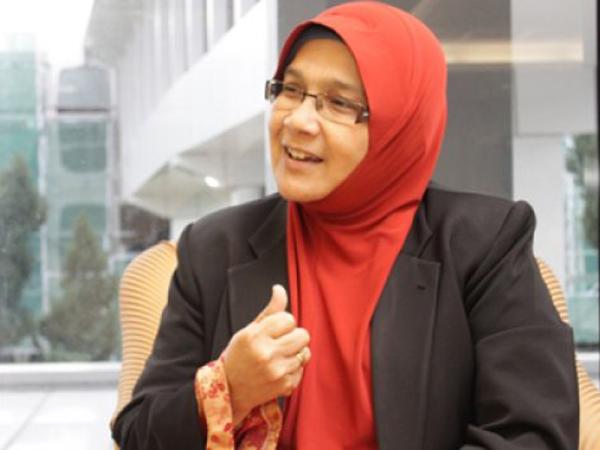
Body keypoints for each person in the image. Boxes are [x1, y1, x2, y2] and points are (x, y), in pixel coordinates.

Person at [112, 2, 579, 449]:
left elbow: (532, 434)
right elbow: (136, 434)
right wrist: (228, 388)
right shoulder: (215, 246)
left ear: (399, 126)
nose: (298, 121)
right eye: (290, 89)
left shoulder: (484, 244)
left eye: (338, 103)